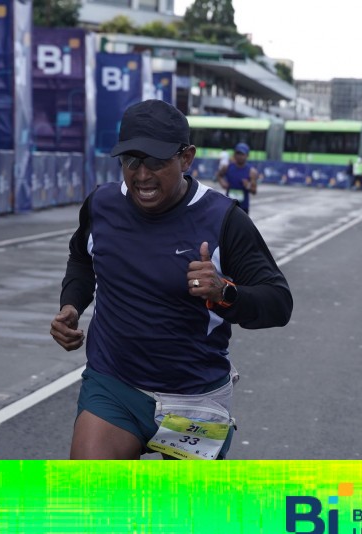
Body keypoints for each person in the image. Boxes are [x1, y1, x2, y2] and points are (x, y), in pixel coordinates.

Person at [50, 99, 293, 460]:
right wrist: (71, 305)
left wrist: (225, 292)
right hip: (115, 386)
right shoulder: (102, 204)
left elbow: (279, 303)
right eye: (131, 161)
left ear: (186, 158)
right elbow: (82, 259)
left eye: (156, 162)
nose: (142, 175)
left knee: (180, 501)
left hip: (195, 398)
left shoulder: (224, 219)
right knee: (89, 491)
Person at [217, 142, 259, 214]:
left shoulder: (252, 171)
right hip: (229, 206)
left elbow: (254, 191)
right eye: (238, 153)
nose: (239, 156)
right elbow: (219, 175)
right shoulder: (227, 167)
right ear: (234, 154)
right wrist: (222, 182)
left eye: (242, 154)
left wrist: (248, 186)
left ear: (247, 155)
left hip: (243, 208)